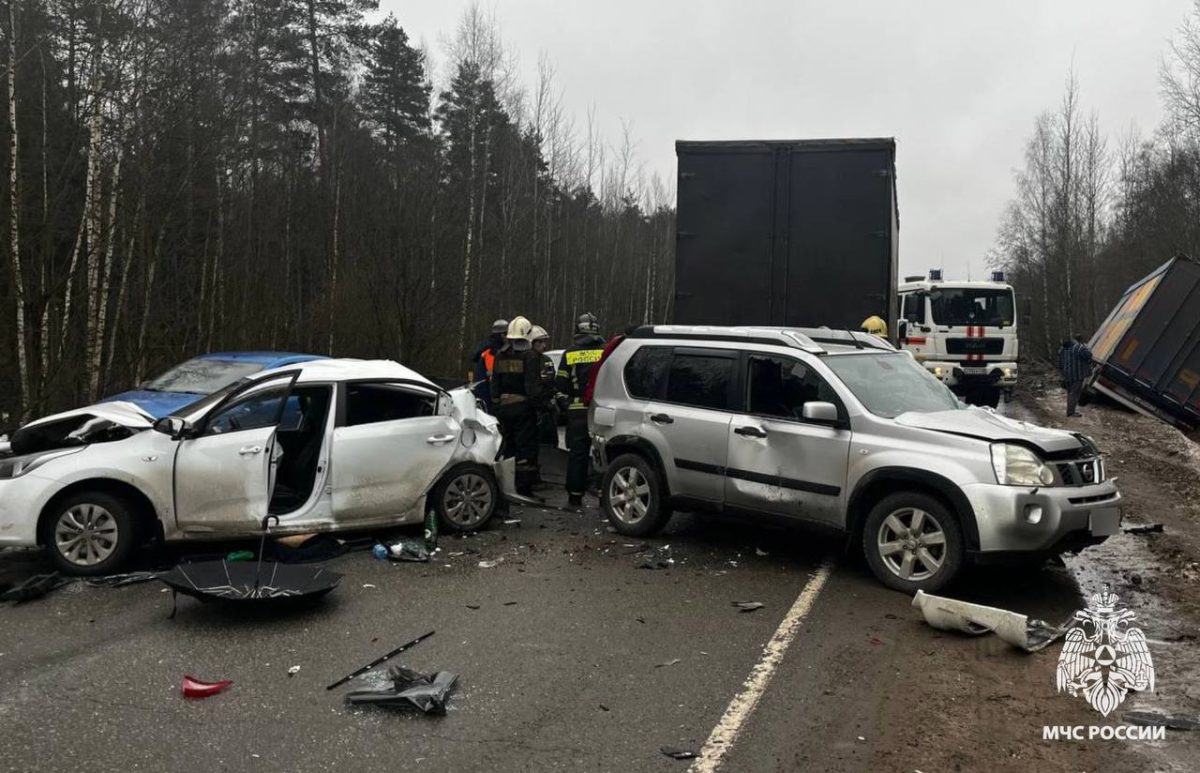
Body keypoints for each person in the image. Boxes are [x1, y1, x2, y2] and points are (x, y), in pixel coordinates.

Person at [556, 312, 607, 506]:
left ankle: (575, 497)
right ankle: (604, 496)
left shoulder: (570, 353)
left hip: (577, 411)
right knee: (602, 454)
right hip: (601, 411)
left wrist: (565, 406)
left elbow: (560, 385)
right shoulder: (607, 350)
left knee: (578, 454)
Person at [491, 316, 544, 496]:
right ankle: (524, 488)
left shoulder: (500, 355)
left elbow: (495, 384)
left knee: (509, 446)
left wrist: (497, 405)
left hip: (504, 409)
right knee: (525, 449)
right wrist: (541, 407)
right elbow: (532, 387)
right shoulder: (530, 356)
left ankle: (506, 485)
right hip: (523, 409)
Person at [530, 325, 559, 449]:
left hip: (548, 408)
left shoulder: (547, 360)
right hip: (533, 409)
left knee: (551, 441)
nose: (543, 345)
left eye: (544, 342)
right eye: (539, 342)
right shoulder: (527, 360)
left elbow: (553, 382)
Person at [470, 319, 508, 405]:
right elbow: (492, 375)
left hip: (484, 392)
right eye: (507, 334)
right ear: (502, 335)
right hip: (486, 395)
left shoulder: (487, 346)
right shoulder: (491, 351)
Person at [1059, 334, 1093, 418]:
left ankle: (1070, 410)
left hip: (1066, 374)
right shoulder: (1079, 347)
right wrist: (1086, 347)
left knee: (1070, 392)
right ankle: (1070, 412)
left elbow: (1060, 361)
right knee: (1074, 393)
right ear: (1080, 340)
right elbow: (1088, 355)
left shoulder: (1063, 348)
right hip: (1077, 374)